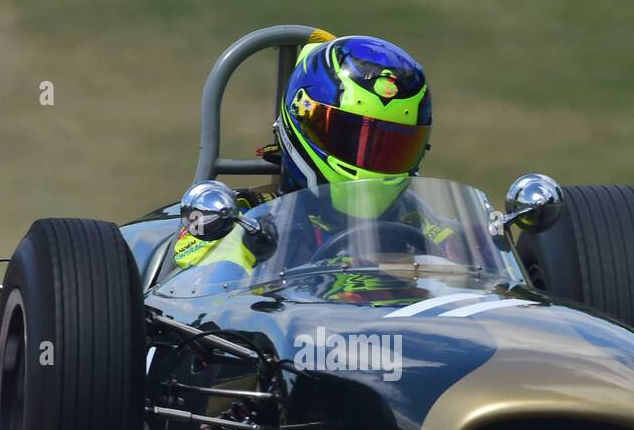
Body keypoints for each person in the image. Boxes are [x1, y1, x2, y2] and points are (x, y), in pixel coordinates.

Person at [171, 32, 453, 283]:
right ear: (302, 120)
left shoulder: (422, 221)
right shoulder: (243, 222)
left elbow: (482, 278)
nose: (370, 160)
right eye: (348, 137)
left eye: (392, 146)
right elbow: (197, 295)